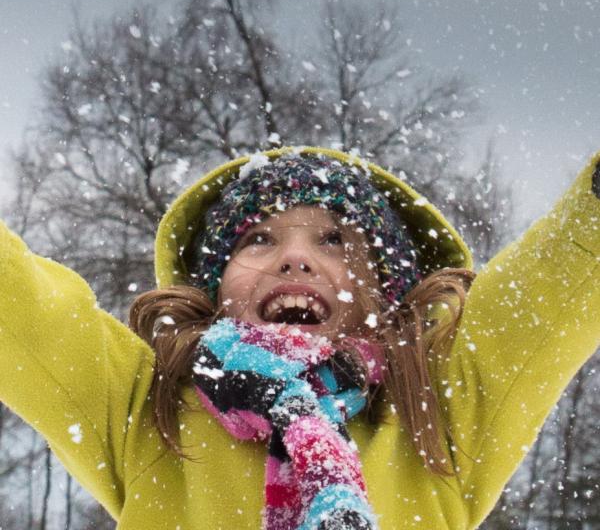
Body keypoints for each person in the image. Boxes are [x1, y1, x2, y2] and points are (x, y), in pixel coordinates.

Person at [0, 144, 599, 530]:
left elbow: (558, 287)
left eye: (334, 240)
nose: (293, 258)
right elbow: (23, 315)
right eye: (257, 239)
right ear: (214, 290)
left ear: (385, 292)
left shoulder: (437, 408)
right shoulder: (145, 404)